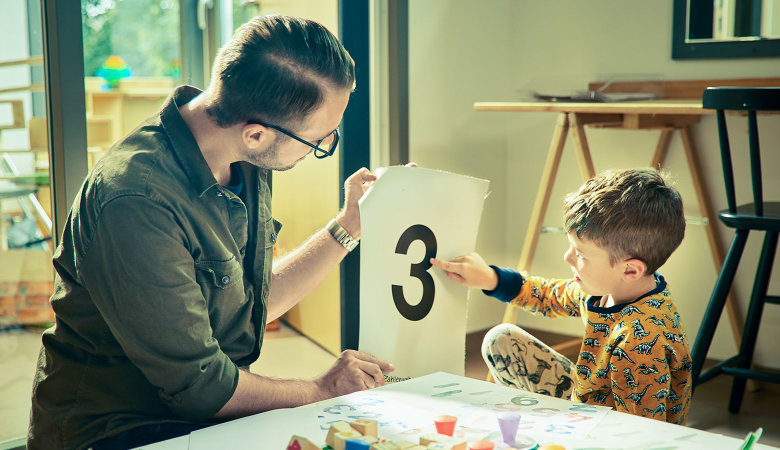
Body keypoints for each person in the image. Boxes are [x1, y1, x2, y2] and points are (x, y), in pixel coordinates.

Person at [28, 15, 395, 449]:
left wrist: (350, 224)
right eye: (319, 141)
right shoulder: (135, 201)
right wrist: (319, 390)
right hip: (118, 429)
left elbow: (247, 305)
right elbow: (200, 385)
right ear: (256, 134)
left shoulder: (243, 156)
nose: (326, 145)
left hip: (198, 414)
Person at [431, 168, 691, 424]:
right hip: (588, 404)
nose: (567, 257)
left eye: (581, 254)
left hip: (622, 431)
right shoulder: (607, 291)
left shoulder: (640, 341)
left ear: (631, 269)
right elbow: (547, 295)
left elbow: (642, 433)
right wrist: (489, 277)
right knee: (501, 340)